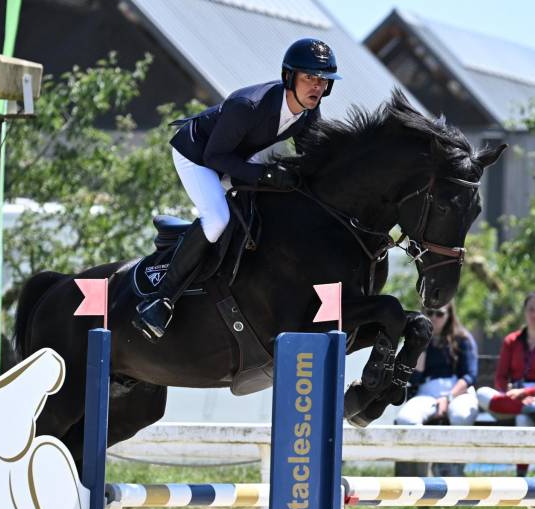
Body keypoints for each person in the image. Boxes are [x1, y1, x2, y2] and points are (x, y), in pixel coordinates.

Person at [131, 38, 343, 340]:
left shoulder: (309, 113)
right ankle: (162, 300)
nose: (317, 87)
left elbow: (314, 161)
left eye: (323, 81)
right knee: (217, 218)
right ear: (289, 76)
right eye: (309, 77)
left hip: (237, 156)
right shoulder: (248, 105)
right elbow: (214, 157)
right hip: (198, 155)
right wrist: (264, 174)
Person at [476, 292, 535, 429]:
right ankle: (529, 410)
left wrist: (526, 393)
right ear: (525, 312)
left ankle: (529, 411)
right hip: (512, 398)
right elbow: (501, 377)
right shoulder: (511, 340)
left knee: (525, 418)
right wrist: (509, 394)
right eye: (531, 309)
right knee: (482, 393)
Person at [395, 301, 479, 428]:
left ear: (449, 316)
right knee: (405, 421)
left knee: (460, 418)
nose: (434, 318)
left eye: (439, 314)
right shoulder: (415, 340)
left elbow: (469, 376)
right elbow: (415, 378)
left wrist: (448, 398)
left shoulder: (463, 339)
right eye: (429, 313)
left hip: (458, 394)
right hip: (426, 394)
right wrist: (421, 344)